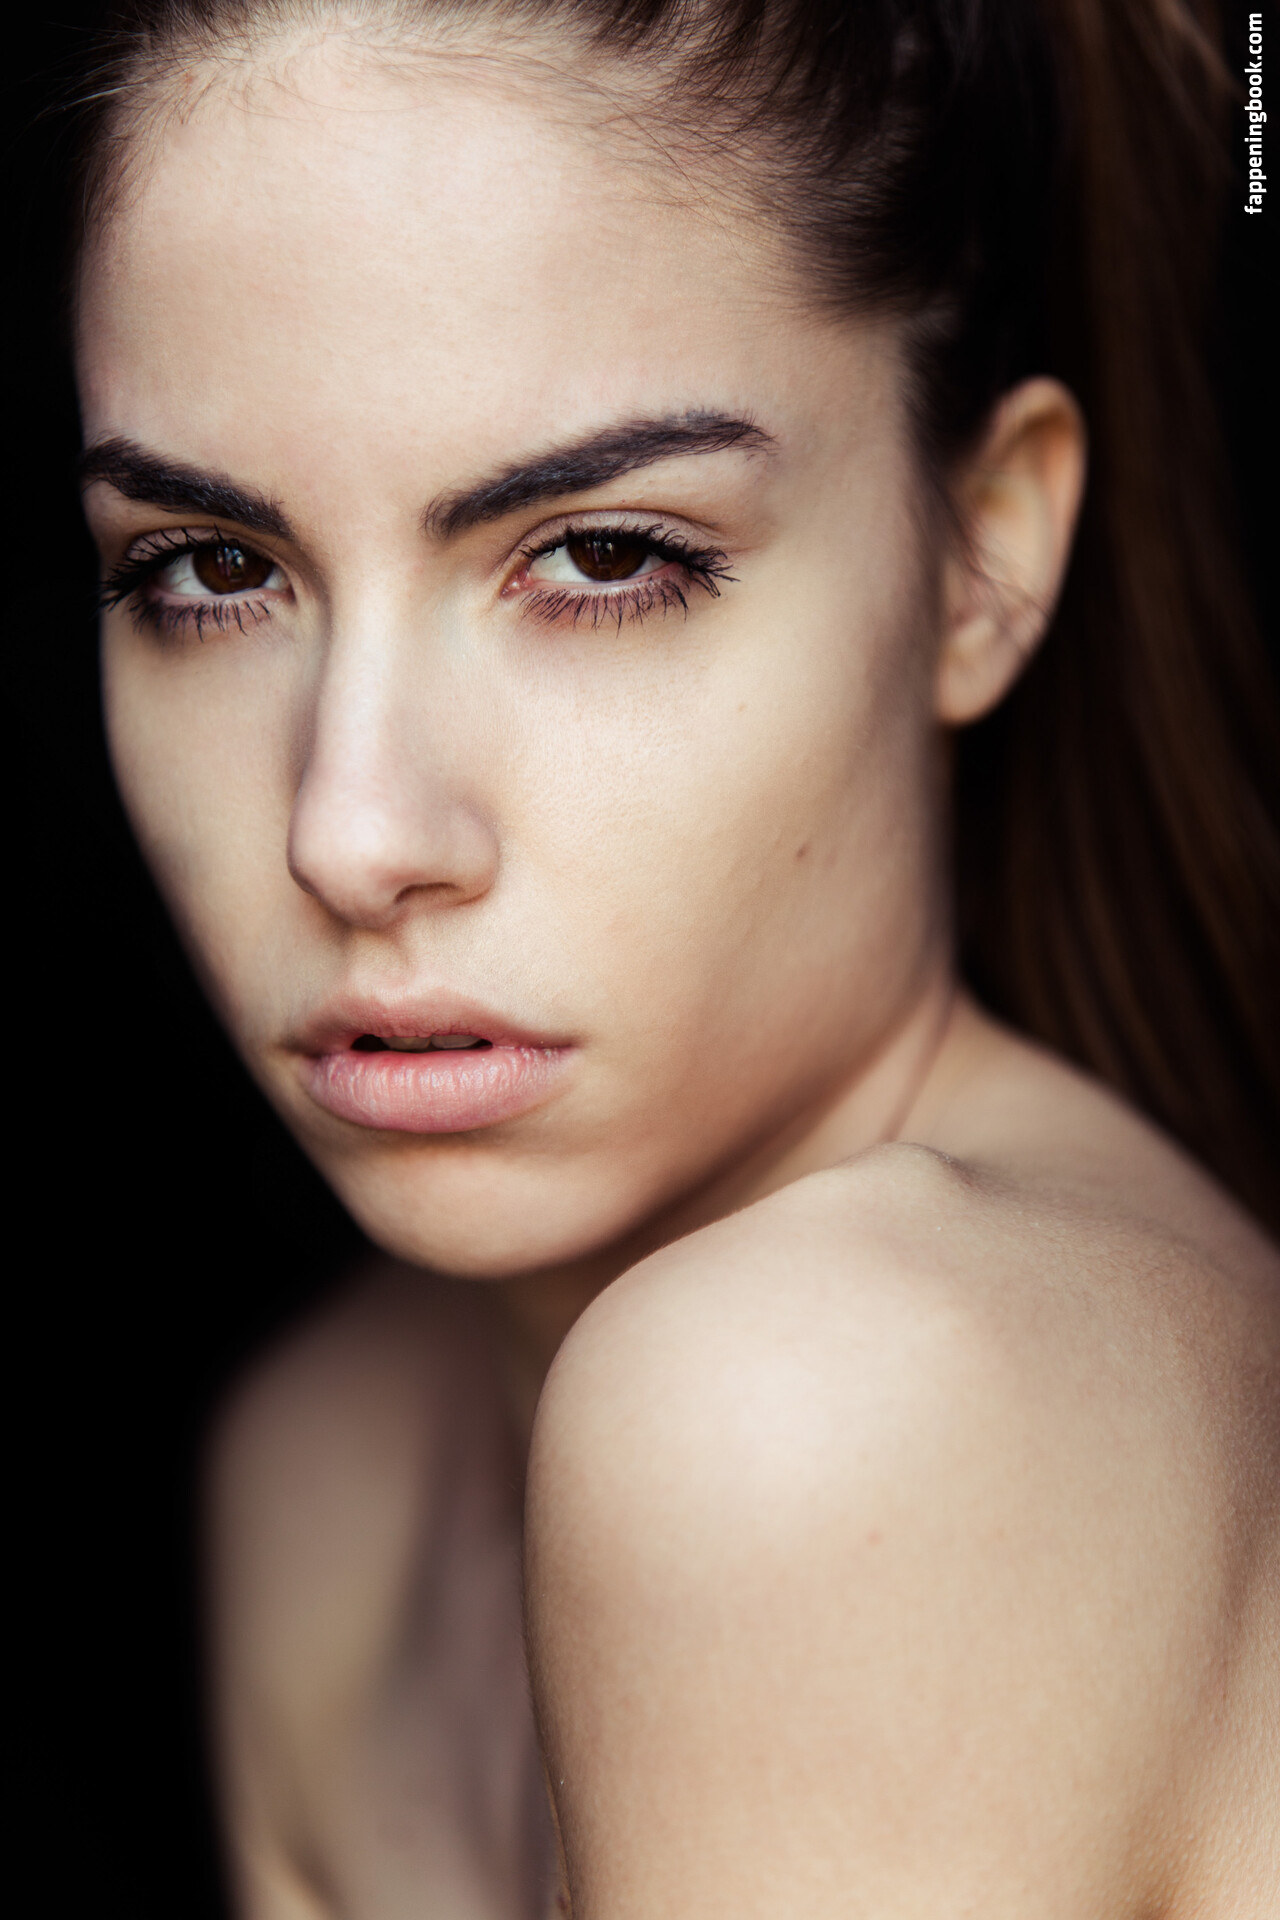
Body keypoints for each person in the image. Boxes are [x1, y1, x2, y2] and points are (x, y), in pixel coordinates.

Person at [69, 0, 1278, 1914]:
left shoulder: (829, 1415)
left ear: (983, 556)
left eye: (605, 557)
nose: (351, 832)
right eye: (211, 570)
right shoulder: (322, 1479)